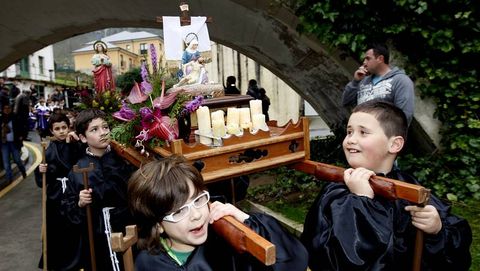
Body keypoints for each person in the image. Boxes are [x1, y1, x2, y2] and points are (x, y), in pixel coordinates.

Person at [300, 100, 472, 271]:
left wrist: (437, 230)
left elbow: (457, 250)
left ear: (395, 144)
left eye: (363, 132)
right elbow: (328, 257)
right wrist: (362, 202)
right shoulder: (336, 191)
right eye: (349, 132)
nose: (351, 139)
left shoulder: (407, 188)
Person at [128, 155, 308, 271]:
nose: (196, 215)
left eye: (198, 200)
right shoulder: (150, 264)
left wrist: (245, 220)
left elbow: (290, 259)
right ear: (159, 225)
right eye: (179, 211)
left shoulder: (223, 241)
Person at [62, 108, 135, 270]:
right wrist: (80, 202)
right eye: (94, 130)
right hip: (97, 233)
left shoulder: (124, 159)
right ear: (82, 137)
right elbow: (67, 207)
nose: (103, 133)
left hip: (126, 226)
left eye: (105, 127)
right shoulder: (78, 170)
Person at [35, 112, 83, 270]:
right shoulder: (47, 150)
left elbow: (81, 161)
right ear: (51, 131)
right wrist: (41, 170)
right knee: (56, 229)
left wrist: (75, 144)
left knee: (74, 227)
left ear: (69, 127)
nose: (61, 131)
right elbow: (42, 181)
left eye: (64, 127)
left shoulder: (75, 144)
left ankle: (76, 260)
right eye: (57, 128)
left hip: (72, 191)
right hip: (55, 195)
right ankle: (56, 261)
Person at [342, 44, 415, 125]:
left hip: (383, 134)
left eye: (368, 59)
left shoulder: (400, 80)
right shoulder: (363, 81)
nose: (364, 62)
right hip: (361, 133)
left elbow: (405, 115)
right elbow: (346, 102)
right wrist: (355, 82)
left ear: (380, 59)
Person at [0, 104, 27, 184]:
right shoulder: (1, 119)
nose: (7, 110)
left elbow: (23, 127)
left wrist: (22, 136)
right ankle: (9, 179)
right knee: (6, 163)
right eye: (5, 108)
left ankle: (23, 171)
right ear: (3, 109)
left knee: (17, 160)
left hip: (14, 143)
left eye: (8, 108)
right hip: (4, 143)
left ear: (11, 109)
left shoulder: (15, 117)